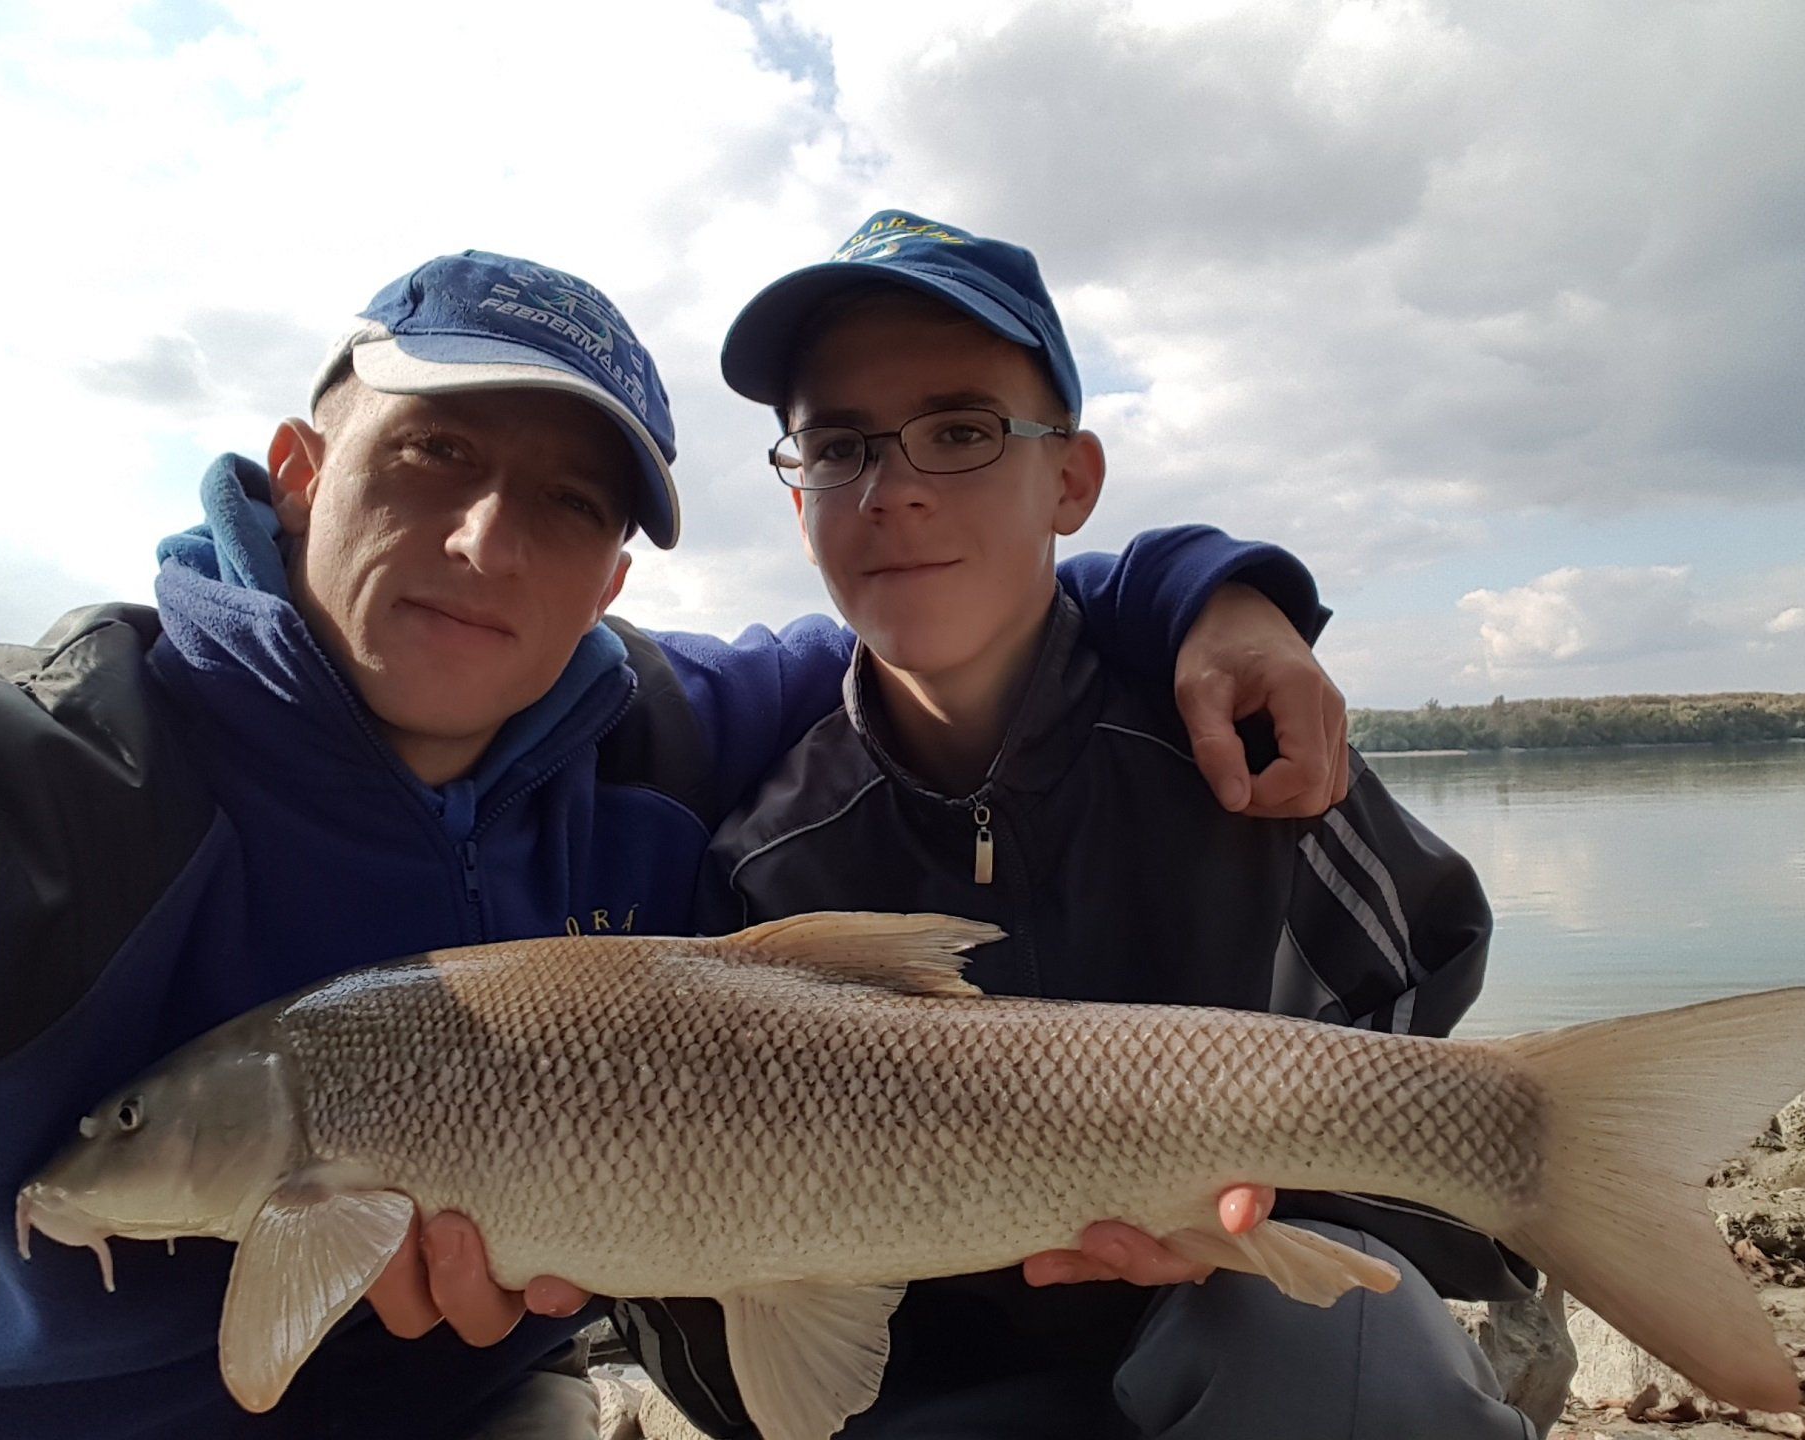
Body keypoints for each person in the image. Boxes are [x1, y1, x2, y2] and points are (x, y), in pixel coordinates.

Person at [0, 248, 1349, 1440]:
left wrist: (1212, 598)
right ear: (298, 475)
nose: (487, 541)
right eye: (433, 454)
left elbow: (961, 593)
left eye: (570, 503)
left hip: (477, 1406)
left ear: (615, 580)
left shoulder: (660, 730)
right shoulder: (53, 783)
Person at [613, 212, 1540, 1440]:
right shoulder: (766, 860)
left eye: (961, 432)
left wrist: (1265, 1206)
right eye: (840, 447)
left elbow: (1419, 999)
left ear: (1073, 480)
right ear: (798, 499)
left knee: (1340, 1342)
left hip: (1252, 1337)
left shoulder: (1238, 747)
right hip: (944, 1388)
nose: (893, 495)